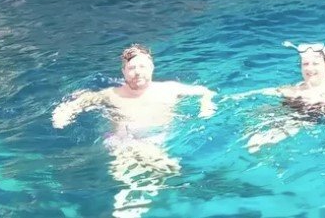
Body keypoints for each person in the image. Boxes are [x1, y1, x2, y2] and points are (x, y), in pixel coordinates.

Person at [51, 44, 216, 217]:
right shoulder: (112, 94)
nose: (137, 72)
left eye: (142, 66)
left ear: (151, 67)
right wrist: (63, 114)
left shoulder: (170, 89)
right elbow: (79, 101)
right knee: (151, 167)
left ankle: (137, 200)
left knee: (153, 168)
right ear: (123, 72)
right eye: (131, 68)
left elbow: (205, 91)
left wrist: (207, 105)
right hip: (120, 143)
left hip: (154, 142)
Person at [230, 41, 325, 152]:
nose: (309, 68)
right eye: (305, 64)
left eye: (315, 63)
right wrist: (242, 95)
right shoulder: (298, 86)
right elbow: (273, 91)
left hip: (309, 118)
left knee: (254, 144)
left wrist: (317, 99)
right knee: (251, 118)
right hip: (290, 111)